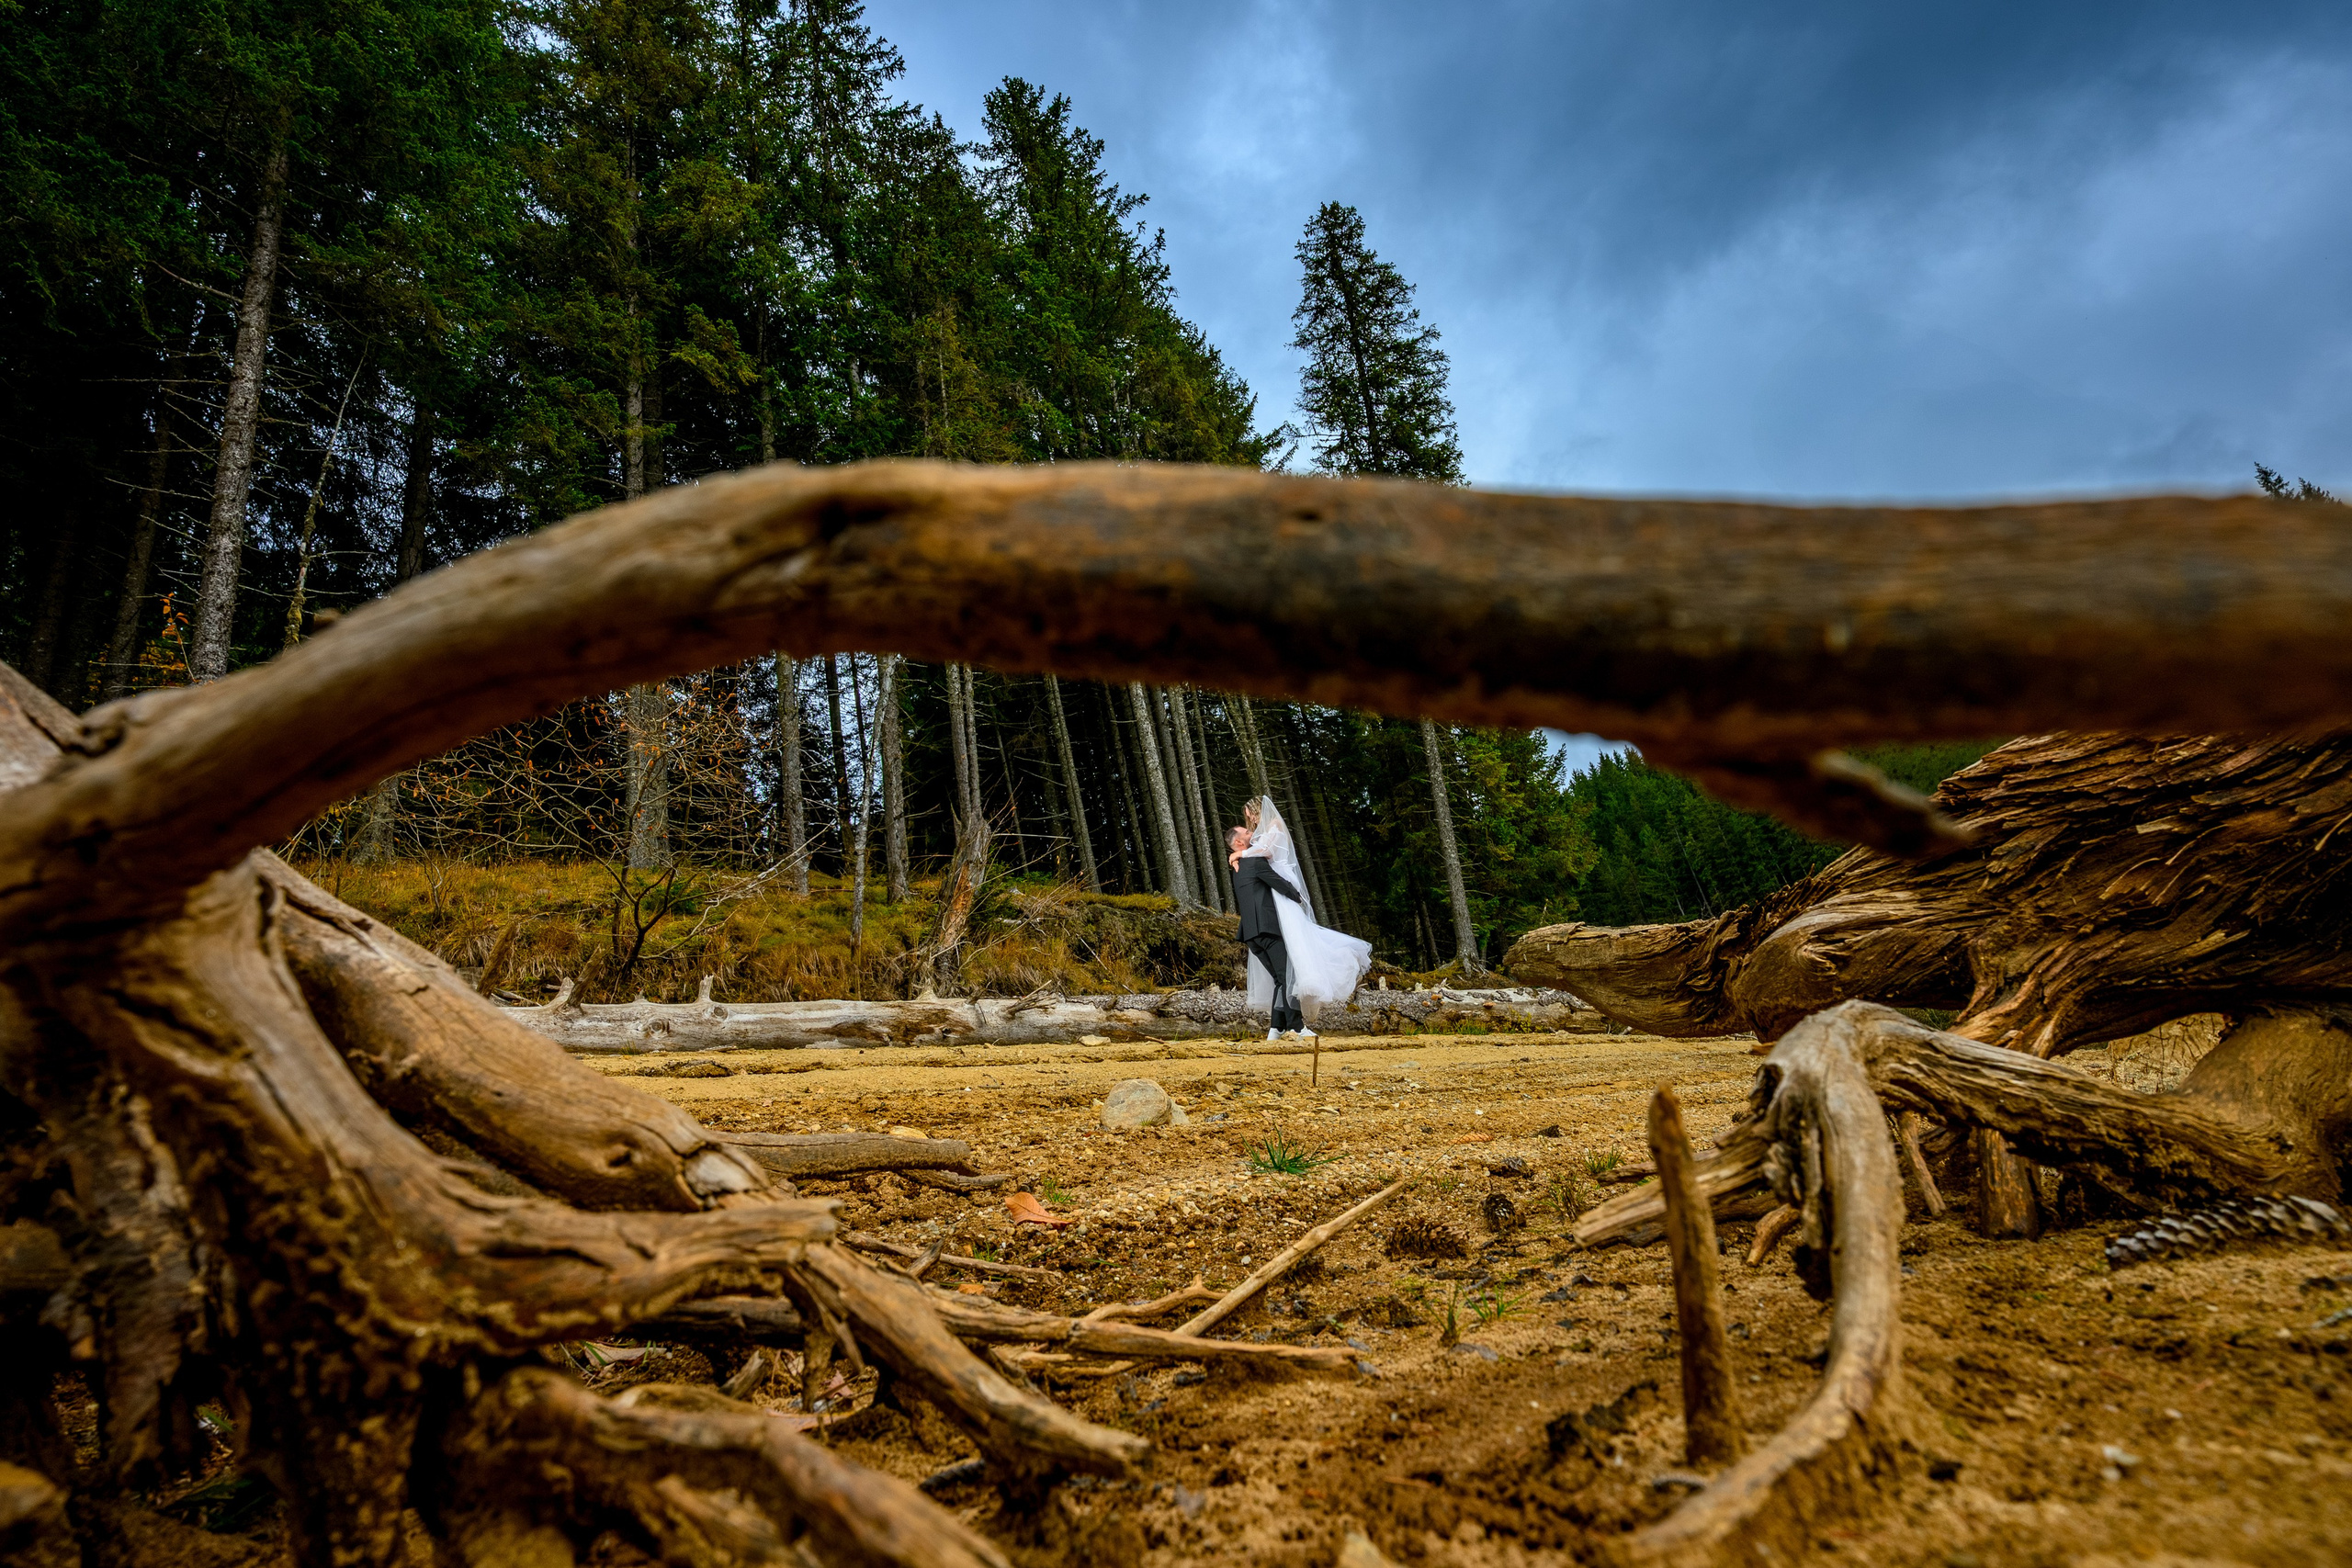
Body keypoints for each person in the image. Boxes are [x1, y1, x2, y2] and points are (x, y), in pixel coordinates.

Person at [1228, 795, 1372, 1038]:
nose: (1250, 825)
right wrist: (1297, 898)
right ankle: (1296, 1027)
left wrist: (1239, 856)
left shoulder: (1240, 869)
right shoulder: (1253, 861)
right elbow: (1277, 881)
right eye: (1246, 828)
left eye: (1249, 818)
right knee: (1289, 976)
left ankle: (1275, 1028)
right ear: (1239, 843)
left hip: (1251, 934)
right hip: (1269, 927)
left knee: (1279, 978)